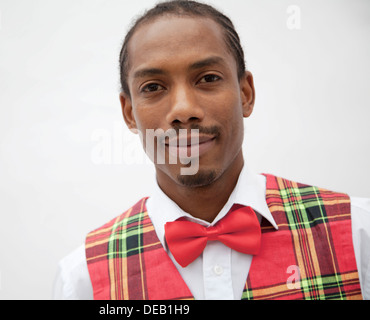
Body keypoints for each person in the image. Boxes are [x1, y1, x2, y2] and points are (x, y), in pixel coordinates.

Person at [54, 0, 370, 300]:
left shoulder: (358, 236)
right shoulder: (82, 279)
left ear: (246, 94)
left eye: (207, 78)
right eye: (153, 87)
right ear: (128, 113)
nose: (183, 109)